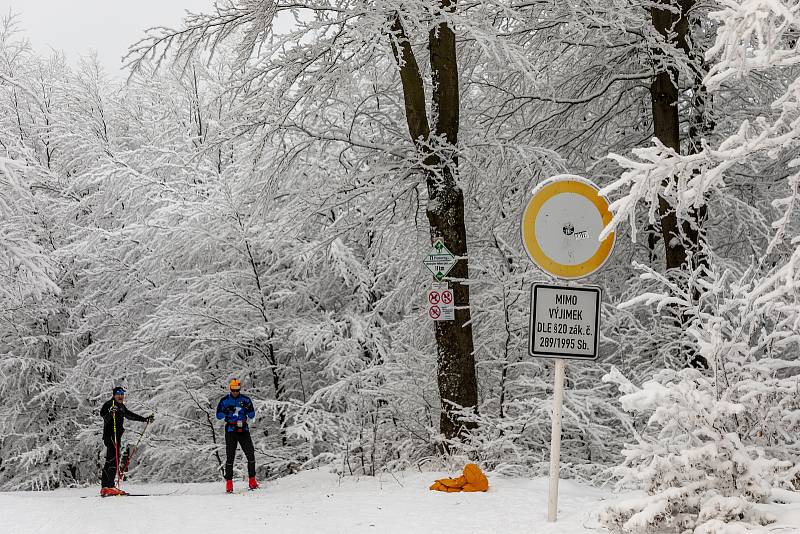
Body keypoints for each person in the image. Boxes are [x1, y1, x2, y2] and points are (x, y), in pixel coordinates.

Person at [99, 386, 154, 496]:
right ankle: (110, 486)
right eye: (118, 393)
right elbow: (103, 414)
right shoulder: (110, 404)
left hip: (116, 436)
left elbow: (129, 415)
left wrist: (144, 419)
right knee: (114, 460)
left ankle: (105, 487)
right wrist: (111, 413)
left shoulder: (121, 406)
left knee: (110, 460)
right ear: (114, 395)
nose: (120, 396)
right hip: (111, 436)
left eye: (122, 394)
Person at [216, 378, 258, 493]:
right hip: (230, 429)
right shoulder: (224, 400)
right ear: (230, 389)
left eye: (237, 390)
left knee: (250, 453)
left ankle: (252, 481)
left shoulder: (246, 399)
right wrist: (226, 411)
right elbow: (218, 416)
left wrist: (248, 408)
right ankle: (229, 484)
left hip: (243, 428)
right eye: (233, 390)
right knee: (230, 455)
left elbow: (252, 415)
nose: (235, 392)